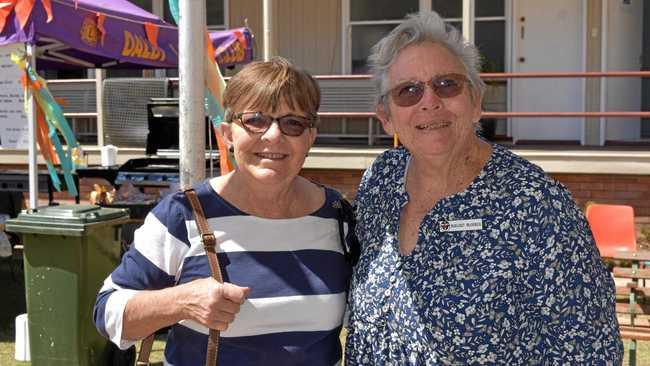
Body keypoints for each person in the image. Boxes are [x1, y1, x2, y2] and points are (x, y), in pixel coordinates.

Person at [345, 11, 622, 365]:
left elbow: (590, 350)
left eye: (447, 84)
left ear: (476, 101)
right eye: (408, 91)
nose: (429, 101)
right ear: (386, 117)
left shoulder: (535, 203)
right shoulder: (380, 182)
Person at [94, 57, 354, 366]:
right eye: (255, 120)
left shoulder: (337, 216)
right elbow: (107, 313)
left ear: (310, 137)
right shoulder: (183, 215)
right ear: (228, 134)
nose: (273, 135)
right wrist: (180, 302)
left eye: (293, 122)